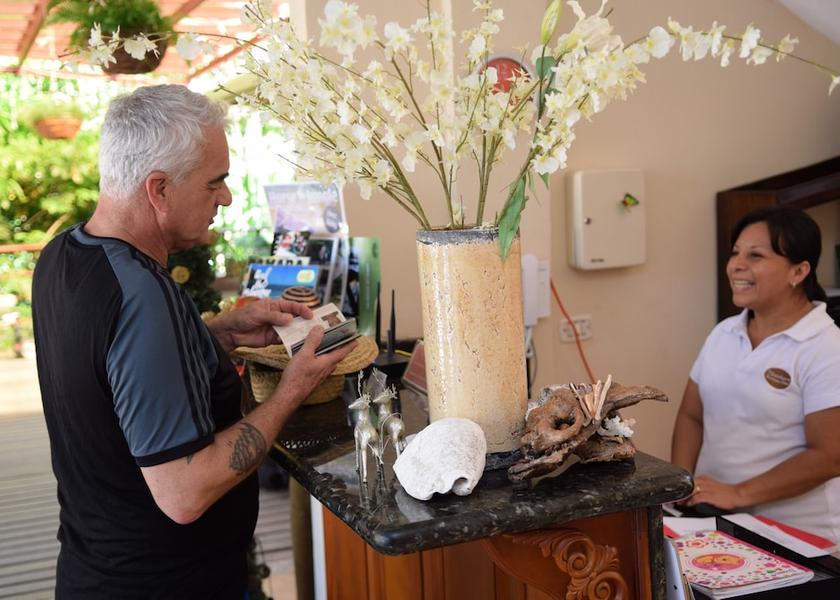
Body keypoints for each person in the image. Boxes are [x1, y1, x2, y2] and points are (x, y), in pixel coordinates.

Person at [31, 84, 356, 599]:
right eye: (215, 182)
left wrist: (214, 336)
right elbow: (184, 491)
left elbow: (107, 369)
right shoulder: (142, 294)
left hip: (89, 569)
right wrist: (293, 387)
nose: (225, 197)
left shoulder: (62, 257)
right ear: (158, 189)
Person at [671, 206, 840, 542]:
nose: (737, 265)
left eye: (756, 255)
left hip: (799, 538)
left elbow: (830, 456)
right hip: (714, 522)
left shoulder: (825, 346)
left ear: (799, 270)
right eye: (735, 253)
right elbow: (692, 416)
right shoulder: (724, 333)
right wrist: (681, 481)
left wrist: (739, 493)